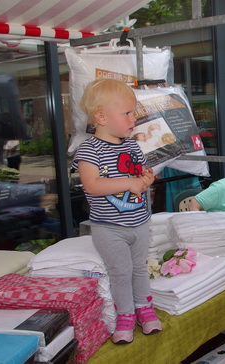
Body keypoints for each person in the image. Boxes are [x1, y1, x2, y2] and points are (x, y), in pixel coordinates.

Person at [72, 78, 162, 345]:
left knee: (139, 269)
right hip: (109, 228)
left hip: (139, 222)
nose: (133, 118)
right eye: (127, 113)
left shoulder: (133, 146)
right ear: (101, 116)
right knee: (120, 272)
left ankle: (144, 307)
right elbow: (92, 184)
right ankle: (125, 315)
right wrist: (131, 183)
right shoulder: (88, 149)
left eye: (133, 112)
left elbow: (140, 176)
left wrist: (145, 180)